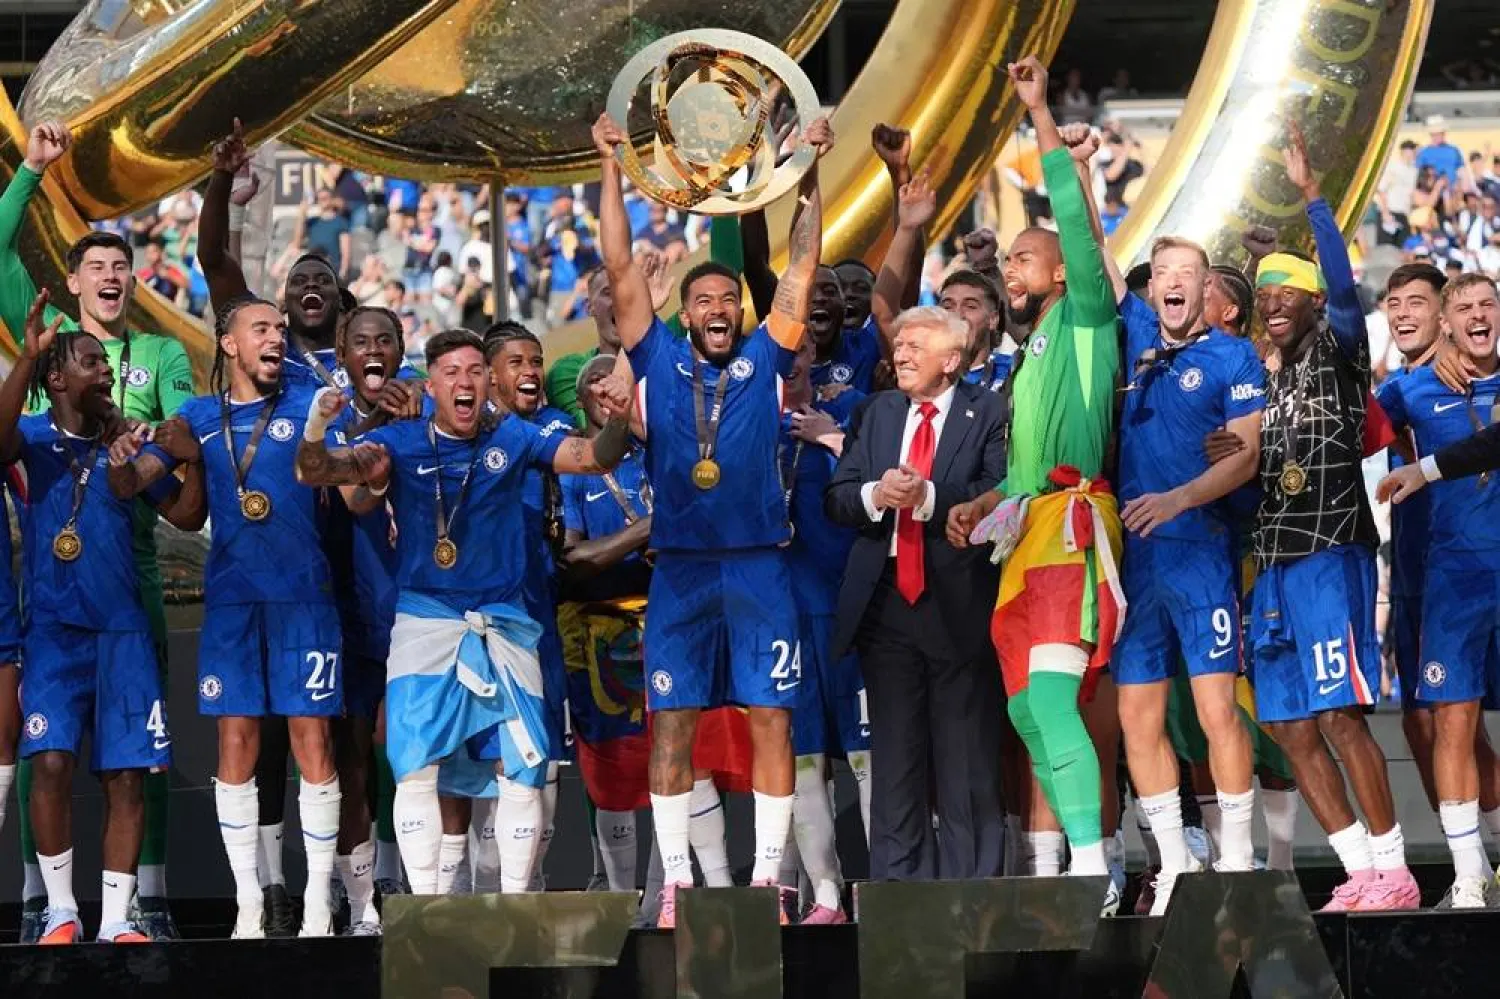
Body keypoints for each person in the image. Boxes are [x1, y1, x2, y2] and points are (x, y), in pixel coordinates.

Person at [592, 107, 833, 927]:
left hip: (761, 562)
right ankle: (676, 884)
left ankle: (768, 880)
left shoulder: (768, 352)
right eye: (704, 300)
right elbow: (620, 265)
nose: (719, 307)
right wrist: (614, 164)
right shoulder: (653, 355)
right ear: (685, 314)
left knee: (772, 715)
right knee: (674, 722)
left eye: (729, 297)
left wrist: (810, 173)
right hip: (684, 569)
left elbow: (802, 268)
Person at [292, 328, 633, 897]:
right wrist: (316, 427)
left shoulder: (517, 439)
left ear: (487, 383)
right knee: (415, 763)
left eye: (476, 371)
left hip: (504, 622)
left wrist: (619, 418)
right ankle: (425, 904)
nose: (466, 382)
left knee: (524, 766)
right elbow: (315, 470)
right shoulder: (397, 443)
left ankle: (519, 900)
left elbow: (594, 457)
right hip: (426, 624)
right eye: (452, 373)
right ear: (432, 386)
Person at [1, 120, 195, 942]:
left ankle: (137, 901)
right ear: (74, 281)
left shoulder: (156, 348)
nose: (114, 276)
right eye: (99, 267)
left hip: (136, 575)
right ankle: (44, 901)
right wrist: (32, 173)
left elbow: (188, 458)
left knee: (133, 756)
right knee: (46, 755)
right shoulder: (43, 393)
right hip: (56, 599)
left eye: (124, 267)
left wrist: (148, 448)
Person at [108, 298, 345, 938]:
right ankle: (247, 904)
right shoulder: (198, 416)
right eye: (261, 328)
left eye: (279, 330)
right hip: (233, 602)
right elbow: (178, 509)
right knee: (234, 744)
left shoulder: (310, 404)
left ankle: (319, 903)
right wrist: (131, 458)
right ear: (230, 344)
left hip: (304, 597)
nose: (276, 337)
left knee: (311, 743)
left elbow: (348, 481)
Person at [945, 57, 1124, 901]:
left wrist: (1040, 113)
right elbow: (1020, 469)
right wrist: (982, 504)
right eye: (1005, 261)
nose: (1009, 270)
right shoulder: (1026, 359)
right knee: (1024, 712)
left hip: (1070, 534)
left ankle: (1090, 868)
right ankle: (1086, 860)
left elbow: (1081, 239)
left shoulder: (1086, 320)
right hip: (1024, 539)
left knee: (1050, 705)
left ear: (1059, 274)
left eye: (1024, 258)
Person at [1246, 123, 1417, 912]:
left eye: (1289, 296)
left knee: (1340, 715)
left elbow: (1344, 288)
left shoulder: (1341, 352)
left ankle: (1398, 869)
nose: (1274, 306)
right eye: (1266, 297)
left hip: (1330, 555)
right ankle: (1358, 869)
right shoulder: (1266, 375)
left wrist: (1312, 200)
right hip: (1274, 566)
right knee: (1286, 725)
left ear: (1316, 304)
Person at [1110, 233, 1267, 912]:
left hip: (1200, 551)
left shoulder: (1234, 355)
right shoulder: (1140, 340)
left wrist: (1175, 498)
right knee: (1136, 718)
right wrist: (1080, 171)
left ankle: (1236, 854)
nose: (1172, 283)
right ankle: (1173, 862)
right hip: (1137, 564)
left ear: (1207, 290)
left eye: (1187, 274)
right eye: (1163, 273)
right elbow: (1099, 257)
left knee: (1213, 710)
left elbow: (1247, 455)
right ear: (1153, 292)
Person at [825, 306, 1006, 882]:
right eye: (898, 344)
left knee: (965, 761)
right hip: (885, 608)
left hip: (960, 606)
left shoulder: (991, 412)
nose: (899, 353)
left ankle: (970, 894)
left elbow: (998, 491)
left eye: (914, 346)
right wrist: (879, 493)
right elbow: (839, 497)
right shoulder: (875, 412)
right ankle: (900, 897)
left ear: (951, 361)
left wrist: (927, 498)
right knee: (896, 762)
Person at [1374, 273, 1500, 906]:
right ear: (1447, 325)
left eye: (1488, 305)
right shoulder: (1409, 388)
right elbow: (1351, 429)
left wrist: (1422, 471)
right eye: (1465, 309)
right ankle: (1471, 873)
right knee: (1450, 723)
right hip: (1452, 577)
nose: (1478, 317)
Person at [324, 304, 422, 934]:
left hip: (417, 608)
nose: (374, 350)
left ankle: (406, 878)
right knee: (352, 756)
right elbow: (353, 495)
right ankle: (357, 902)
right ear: (344, 354)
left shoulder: (426, 410)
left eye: (384, 339)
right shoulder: (329, 420)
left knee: (409, 755)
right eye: (361, 342)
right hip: (348, 606)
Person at [776, 334, 868, 919]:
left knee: (867, 754)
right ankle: (827, 896)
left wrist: (830, 439)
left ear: (812, 355)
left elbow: (881, 489)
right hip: (784, 619)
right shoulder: (743, 430)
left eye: (799, 350)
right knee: (803, 759)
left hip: (850, 614)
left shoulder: (853, 414)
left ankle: (886, 887)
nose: (789, 361)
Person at [481, 322, 576, 888]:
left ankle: (529, 883)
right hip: (475, 618)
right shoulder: (460, 434)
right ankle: (479, 881)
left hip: (537, 616)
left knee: (540, 752)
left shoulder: (553, 430)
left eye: (536, 361)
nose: (532, 372)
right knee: (478, 756)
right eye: (516, 362)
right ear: (489, 375)